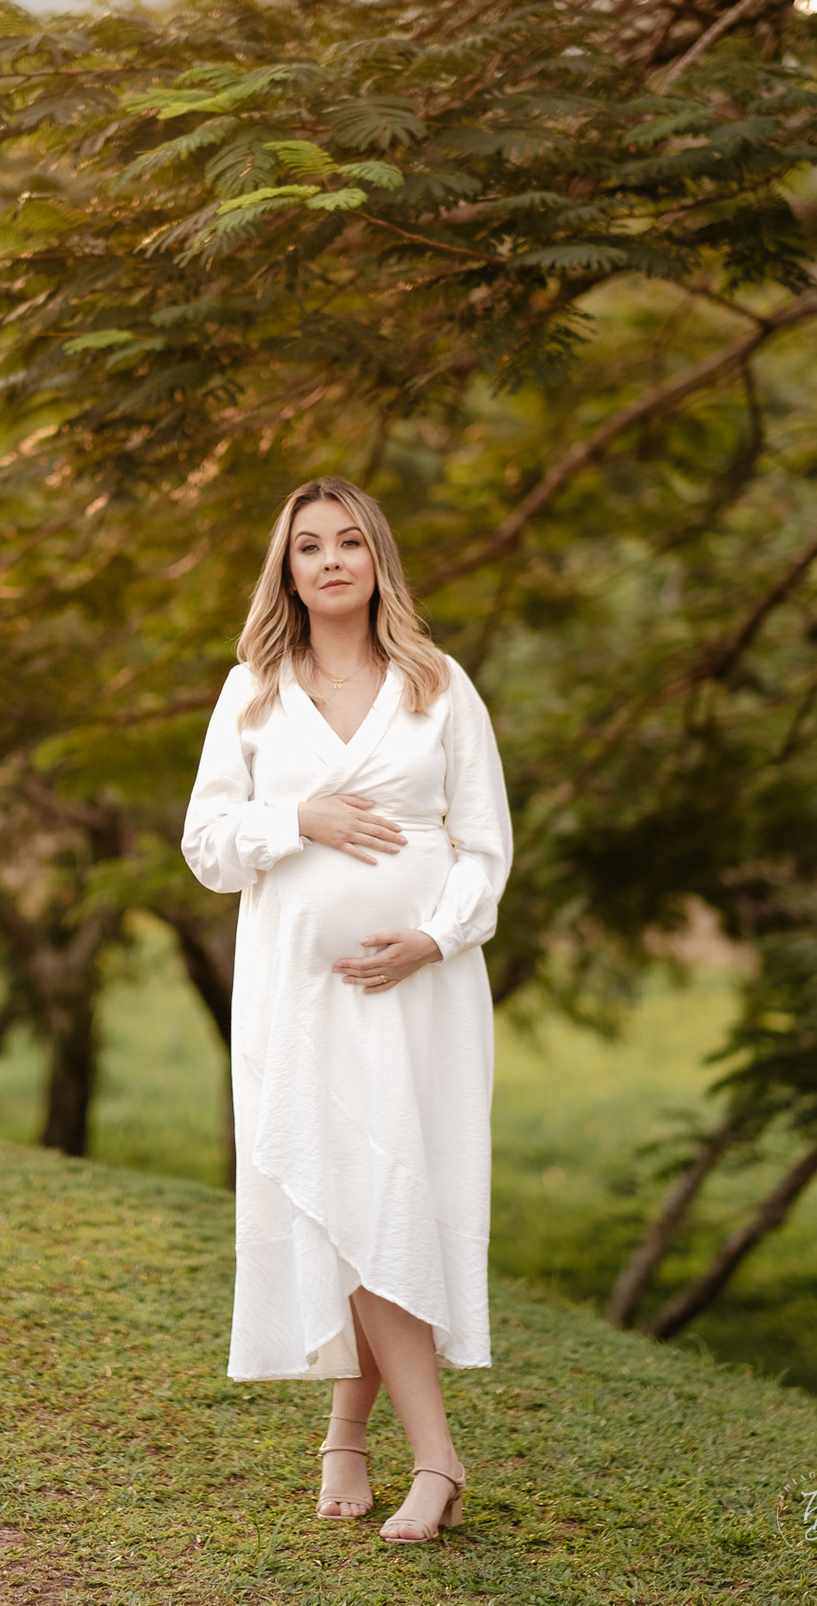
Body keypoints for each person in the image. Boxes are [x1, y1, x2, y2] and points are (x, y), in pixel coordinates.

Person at [181, 476, 513, 1544]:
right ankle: (357, 1440)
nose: (330, 561)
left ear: (378, 562)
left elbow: (485, 845)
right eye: (309, 546)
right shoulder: (254, 692)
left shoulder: (437, 684)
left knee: (390, 1194)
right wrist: (299, 817)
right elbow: (207, 848)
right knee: (343, 1192)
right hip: (299, 995)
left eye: (350, 543)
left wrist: (433, 936)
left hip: (421, 992)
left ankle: (433, 1459)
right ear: (286, 568)